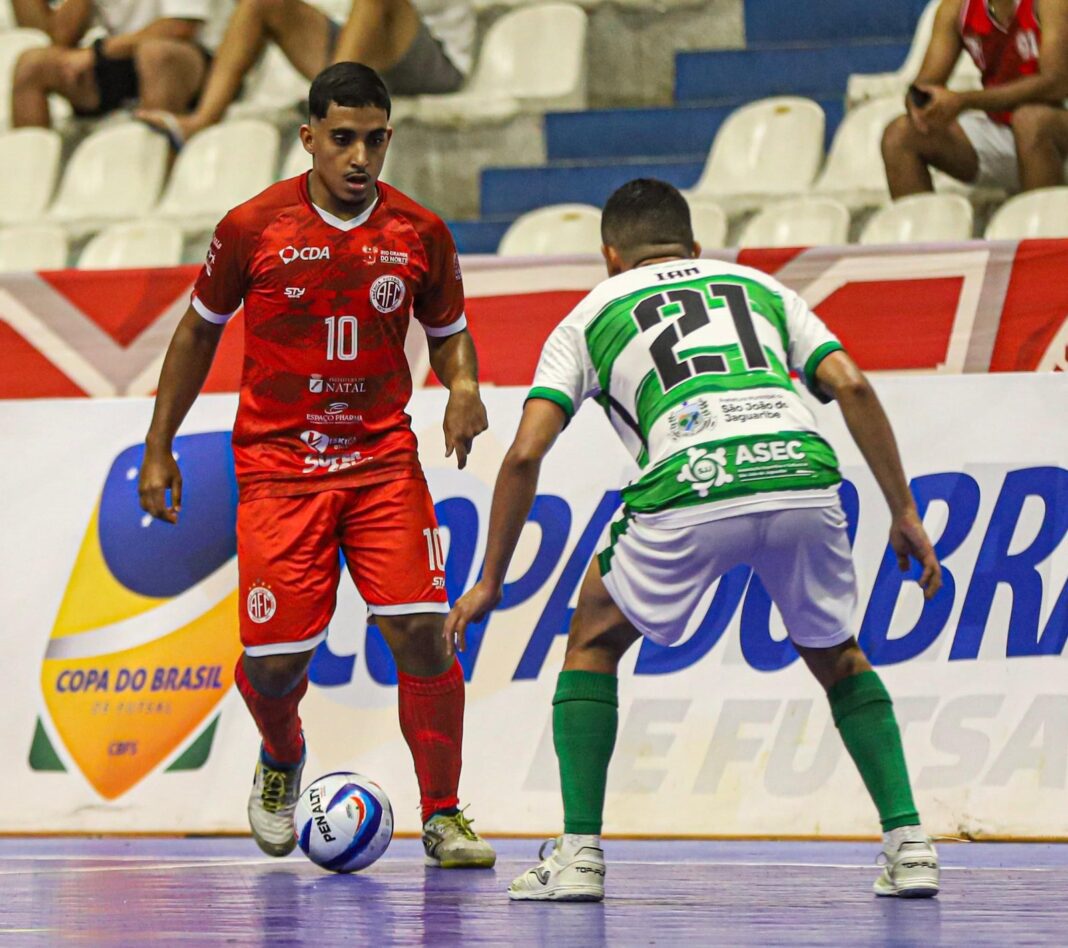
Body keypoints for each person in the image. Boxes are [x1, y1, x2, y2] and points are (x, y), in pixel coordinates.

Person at [446, 178, 944, 902]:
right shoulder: (758, 287)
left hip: (693, 477)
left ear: (609, 255)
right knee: (838, 654)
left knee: (592, 641)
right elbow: (854, 386)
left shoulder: (589, 315)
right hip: (801, 467)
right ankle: (912, 845)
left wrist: (490, 579)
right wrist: (903, 508)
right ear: (695, 247)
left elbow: (524, 454)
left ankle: (579, 853)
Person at [139, 61, 495, 868]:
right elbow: (198, 332)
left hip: (381, 461)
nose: (359, 155)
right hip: (278, 466)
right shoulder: (251, 226)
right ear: (309, 139)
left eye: (374, 139)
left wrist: (464, 384)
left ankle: (443, 815)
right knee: (275, 662)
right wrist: (161, 444)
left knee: (423, 636)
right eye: (342, 138)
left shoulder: (419, 232)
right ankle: (282, 755)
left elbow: (450, 328)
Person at [137, 0, 472, 150]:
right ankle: (202, 120)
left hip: (435, 57)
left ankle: (333, 102)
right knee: (261, 3)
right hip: (362, 47)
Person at [881, 0, 1068, 197]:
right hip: (1006, 130)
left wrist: (964, 101)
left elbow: (1057, 83)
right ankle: (924, 227)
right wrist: (921, 103)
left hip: (1056, 128)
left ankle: (1047, 226)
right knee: (900, 134)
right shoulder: (954, 9)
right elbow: (925, 83)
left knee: (1031, 121)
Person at [10, 0, 219, 128]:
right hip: (118, 59)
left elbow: (180, 27)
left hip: (189, 59)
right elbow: (60, 38)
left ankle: (155, 170)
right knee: (32, 65)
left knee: (156, 55)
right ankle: (27, 185)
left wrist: (99, 53)